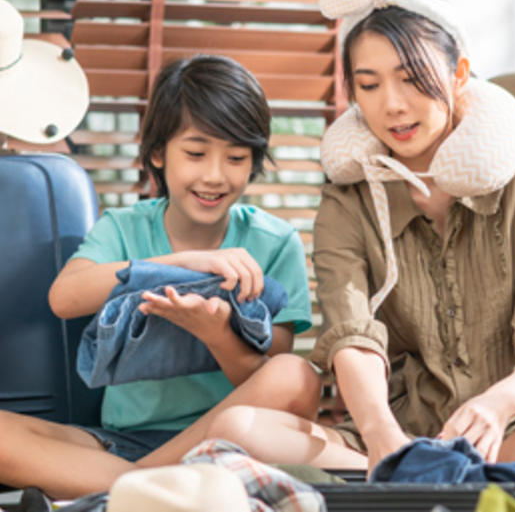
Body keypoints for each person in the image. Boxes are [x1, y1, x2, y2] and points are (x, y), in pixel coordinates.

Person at [203, 0, 515, 481]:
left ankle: (425, 484)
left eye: (411, 78)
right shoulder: (345, 204)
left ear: (459, 73)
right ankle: (438, 481)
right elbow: (354, 337)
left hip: (513, 430)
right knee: (239, 429)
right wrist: (382, 436)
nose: (392, 104)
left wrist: (498, 405)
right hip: (392, 438)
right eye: (369, 85)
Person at [0, 55, 317, 499]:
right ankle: (148, 484)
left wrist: (216, 335)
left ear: (254, 162)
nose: (214, 175)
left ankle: (131, 487)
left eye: (235, 157)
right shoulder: (124, 226)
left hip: (228, 440)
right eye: (195, 153)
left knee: (294, 373)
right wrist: (182, 263)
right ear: (158, 153)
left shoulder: (275, 241)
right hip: (119, 442)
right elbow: (65, 298)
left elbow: (270, 378)